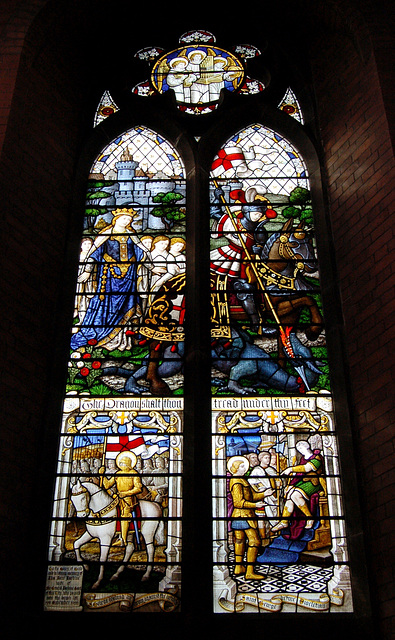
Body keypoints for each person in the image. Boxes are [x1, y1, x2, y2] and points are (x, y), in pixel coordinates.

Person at [70, 208, 144, 351]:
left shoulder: (132, 235)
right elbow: (94, 253)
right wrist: (87, 270)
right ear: (116, 219)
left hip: (129, 276)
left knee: (125, 305)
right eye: (124, 219)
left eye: (129, 220)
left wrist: (151, 266)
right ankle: (104, 339)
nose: (127, 221)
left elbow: (141, 253)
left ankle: (123, 341)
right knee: (107, 305)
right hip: (109, 276)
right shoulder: (106, 235)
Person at [271, 439, 325, 536]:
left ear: (307, 446)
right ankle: (284, 521)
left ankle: (309, 517)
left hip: (314, 484)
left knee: (295, 495)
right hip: (303, 483)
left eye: (301, 447)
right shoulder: (303, 459)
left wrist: (290, 469)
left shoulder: (317, 458)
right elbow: (299, 474)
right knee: (289, 496)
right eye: (298, 448)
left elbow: (307, 468)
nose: (300, 450)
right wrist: (291, 485)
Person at [228, 455, 267, 580]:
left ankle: (238, 567)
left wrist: (264, 494)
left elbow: (250, 496)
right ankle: (250, 571)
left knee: (239, 540)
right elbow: (238, 502)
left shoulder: (241, 479)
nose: (245, 467)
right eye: (242, 466)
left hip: (239, 515)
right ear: (235, 468)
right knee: (255, 541)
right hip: (244, 515)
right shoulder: (237, 481)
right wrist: (255, 505)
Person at [99, 451, 143, 547]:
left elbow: (138, 488)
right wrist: (102, 475)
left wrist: (126, 493)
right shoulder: (118, 473)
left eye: (124, 463)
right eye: (120, 463)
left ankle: (123, 540)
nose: (121, 465)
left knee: (124, 516)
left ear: (129, 464)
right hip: (118, 497)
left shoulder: (133, 473)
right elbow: (107, 485)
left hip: (129, 499)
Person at [248, 450, 278, 544]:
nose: (268, 460)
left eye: (269, 458)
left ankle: (273, 536)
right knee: (261, 518)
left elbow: (277, 480)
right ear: (261, 459)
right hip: (262, 496)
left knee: (274, 515)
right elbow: (251, 482)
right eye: (266, 458)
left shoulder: (271, 470)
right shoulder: (257, 470)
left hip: (273, 496)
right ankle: (263, 538)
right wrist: (260, 490)